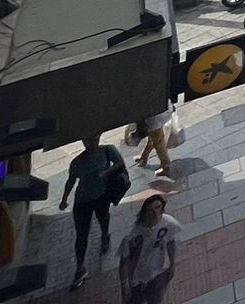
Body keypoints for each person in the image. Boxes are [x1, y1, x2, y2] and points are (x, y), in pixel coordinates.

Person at [59, 132, 127, 290]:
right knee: (81, 234)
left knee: (104, 218)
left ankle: (105, 235)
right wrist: (64, 199)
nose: (91, 144)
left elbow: (119, 163)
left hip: (101, 197)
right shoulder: (77, 162)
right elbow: (71, 181)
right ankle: (80, 267)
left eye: (94, 140)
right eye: (88, 141)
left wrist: (105, 173)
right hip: (83, 201)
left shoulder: (107, 150)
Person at [118, 194, 179, 304]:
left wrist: (172, 264)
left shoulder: (168, 223)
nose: (155, 214)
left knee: (155, 299)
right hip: (136, 277)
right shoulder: (133, 235)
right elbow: (124, 260)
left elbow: (170, 241)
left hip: (157, 272)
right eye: (151, 210)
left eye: (158, 208)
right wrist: (124, 283)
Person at [133, 107, 175, 181]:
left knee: (158, 143)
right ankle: (144, 156)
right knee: (154, 137)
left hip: (154, 117)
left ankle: (166, 166)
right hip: (158, 113)